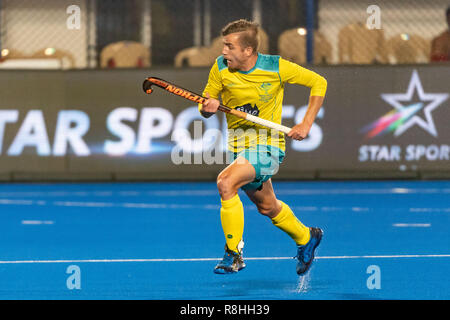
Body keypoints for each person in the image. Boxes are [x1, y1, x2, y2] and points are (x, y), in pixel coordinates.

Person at [198, 19, 327, 275]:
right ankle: (306, 237)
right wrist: (207, 107)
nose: (224, 51)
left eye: (230, 46)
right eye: (224, 45)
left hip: (268, 148)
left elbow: (319, 82)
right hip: (239, 149)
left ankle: (234, 253)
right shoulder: (220, 68)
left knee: (226, 182)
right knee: (267, 207)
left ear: (248, 51)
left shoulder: (276, 67)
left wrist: (306, 123)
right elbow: (206, 105)